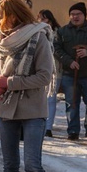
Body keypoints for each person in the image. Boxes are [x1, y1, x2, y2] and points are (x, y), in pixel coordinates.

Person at [0, 0, 53, 172]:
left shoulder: (38, 36)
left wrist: (10, 83)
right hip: (5, 108)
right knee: (9, 165)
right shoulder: (0, 39)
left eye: (0, 16)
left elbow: (45, 76)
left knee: (33, 165)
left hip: (33, 109)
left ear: (13, 15)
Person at [53, 2, 87, 140]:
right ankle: (73, 131)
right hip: (69, 74)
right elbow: (56, 48)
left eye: (78, 14)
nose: (75, 17)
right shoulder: (62, 31)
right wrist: (69, 61)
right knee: (71, 103)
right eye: (72, 14)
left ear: (84, 15)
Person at [38, 9, 61, 137]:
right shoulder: (36, 31)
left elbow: (58, 49)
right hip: (40, 68)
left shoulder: (58, 33)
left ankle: (48, 127)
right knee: (40, 98)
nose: (43, 21)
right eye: (40, 18)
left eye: (45, 18)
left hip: (55, 69)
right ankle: (40, 124)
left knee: (51, 98)